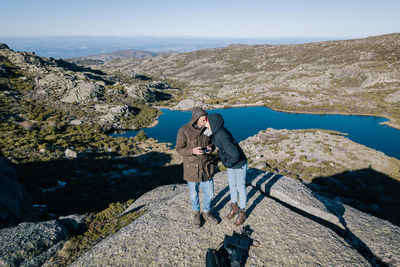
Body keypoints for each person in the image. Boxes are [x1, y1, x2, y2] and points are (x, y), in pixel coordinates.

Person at [176, 107, 218, 228]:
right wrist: (192, 151)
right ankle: (196, 213)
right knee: (194, 193)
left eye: (206, 119)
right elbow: (179, 149)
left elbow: (213, 143)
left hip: (206, 166)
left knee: (209, 193)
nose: (206, 122)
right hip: (192, 168)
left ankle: (206, 212)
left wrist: (211, 147)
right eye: (203, 120)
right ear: (196, 119)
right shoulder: (184, 130)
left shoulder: (207, 129)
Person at [205, 113, 247, 226]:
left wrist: (227, 164)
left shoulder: (221, 135)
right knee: (232, 185)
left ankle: (242, 212)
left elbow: (235, 155)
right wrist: (212, 147)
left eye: (206, 121)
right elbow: (220, 145)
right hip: (231, 163)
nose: (205, 123)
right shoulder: (216, 132)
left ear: (213, 123)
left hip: (238, 163)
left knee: (240, 187)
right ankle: (234, 207)